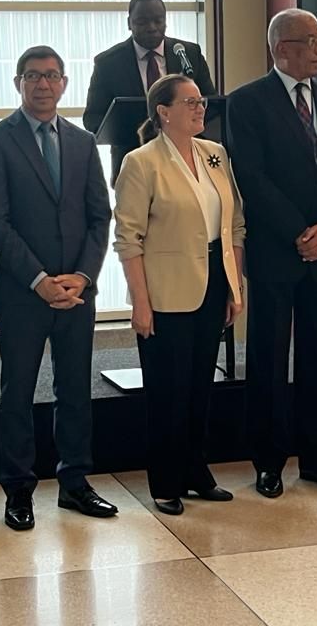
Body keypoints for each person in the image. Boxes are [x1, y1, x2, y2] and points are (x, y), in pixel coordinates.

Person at [0, 45, 116, 531]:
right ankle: (18, 489)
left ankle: (75, 482)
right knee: (17, 392)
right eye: (33, 76)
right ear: (18, 83)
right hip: (21, 293)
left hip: (76, 291)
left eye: (52, 76)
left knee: (74, 388)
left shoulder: (82, 142)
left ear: (64, 84)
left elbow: (100, 217)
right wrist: (38, 280)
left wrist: (83, 276)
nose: (43, 84)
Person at [226, 8, 317, 499]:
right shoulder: (247, 102)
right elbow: (251, 176)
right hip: (276, 252)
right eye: (310, 40)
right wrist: (299, 232)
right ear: (280, 48)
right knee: (267, 360)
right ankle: (268, 463)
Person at [113, 74, 245, 515]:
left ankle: (195, 471)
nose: (200, 107)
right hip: (165, 292)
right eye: (189, 102)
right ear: (163, 112)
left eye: (201, 101)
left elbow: (235, 224)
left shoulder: (214, 154)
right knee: (168, 391)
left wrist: (234, 284)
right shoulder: (141, 162)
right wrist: (140, 302)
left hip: (212, 283)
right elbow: (128, 238)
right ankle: (165, 482)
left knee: (199, 387)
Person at [83, 0, 217, 185]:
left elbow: (212, 105)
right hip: (133, 163)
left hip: (188, 162)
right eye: (142, 22)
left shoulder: (188, 54)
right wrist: (137, 128)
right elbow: (93, 119)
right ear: (129, 23)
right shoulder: (108, 63)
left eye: (158, 20)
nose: (152, 27)